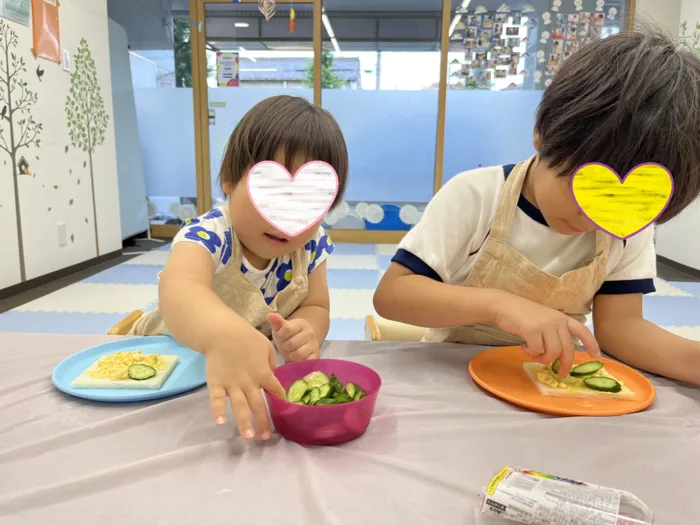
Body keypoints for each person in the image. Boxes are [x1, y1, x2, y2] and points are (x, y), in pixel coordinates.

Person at [374, 28, 700, 384]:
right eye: (584, 187)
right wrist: (500, 305)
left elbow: (622, 327)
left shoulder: (628, 225)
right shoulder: (477, 195)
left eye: (621, 202)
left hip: (552, 386)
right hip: (453, 379)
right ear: (542, 135)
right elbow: (394, 294)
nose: (593, 216)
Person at [130, 95, 348, 440]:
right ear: (230, 181)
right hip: (166, 372)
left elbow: (316, 304)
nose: (284, 217)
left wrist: (307, 331)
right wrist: (221, 335)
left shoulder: (312, 242)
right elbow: (180, 288)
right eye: (271, 192)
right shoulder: (210, 234)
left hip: (238, 381)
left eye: (307, 200)